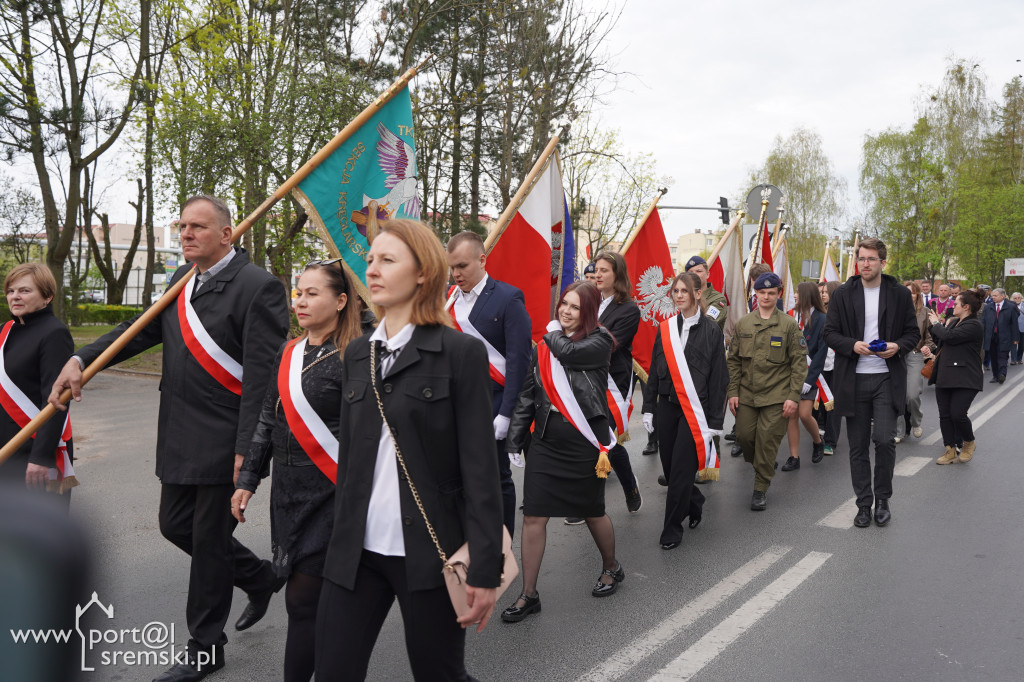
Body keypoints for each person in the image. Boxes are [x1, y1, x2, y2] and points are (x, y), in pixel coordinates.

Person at [49, 196, 290, 681]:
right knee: (175, 526)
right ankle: (260, 577)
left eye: (198, 227)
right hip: (179, 433)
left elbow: (264, 379)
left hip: (225, 439)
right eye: (182, 226)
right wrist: (83, 360)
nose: (185, 234)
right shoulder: (182, 282)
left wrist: (250, 451)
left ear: (227, 234)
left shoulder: (257, 287)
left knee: (207, 539)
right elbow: (133, 333)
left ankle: (206, 646)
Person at [315, 219, 503, 681]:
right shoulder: (358, 353)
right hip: (355, 554)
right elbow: (353, 461)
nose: (372, 269)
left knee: (438, 673)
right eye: (371, 259)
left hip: (429, 553)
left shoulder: (459, 354)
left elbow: (480, 469)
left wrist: (485, 567)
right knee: (333, 672)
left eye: (387, 260)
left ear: (423, 273)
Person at [230, 261, 361, 682]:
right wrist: (248, 480)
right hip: (287, 492)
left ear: (341, 301)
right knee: (308, 600)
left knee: (303, 602)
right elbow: (268, 419)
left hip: (332, 491)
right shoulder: (288, 353)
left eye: (311, 293)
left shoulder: (355, 355)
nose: (300, 302)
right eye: (298, 293)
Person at [501, 281, 623, 623]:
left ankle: (612, 567)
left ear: (588, 312)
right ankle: (529, 594)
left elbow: (568, 354)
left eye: (574, 307)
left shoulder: (599, 341)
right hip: (546, 441)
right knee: (534, 515)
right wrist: (514, 439)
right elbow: (527, 394)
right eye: (563, 305)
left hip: (583, 442)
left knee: (591, 510)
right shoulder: (545, 346)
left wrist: (550, 331)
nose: (565, 312)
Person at [823, 237, 919, 529]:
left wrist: (897, 347)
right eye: (861, 258)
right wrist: (852, 345)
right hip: (853, 379)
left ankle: (884, 499)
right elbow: (830, 333)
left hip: (887, 377)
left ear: (882, 262)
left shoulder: (899, 293)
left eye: (871, 259)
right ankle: (864, 504)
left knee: (885, 440)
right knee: (857, 446)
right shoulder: (843, 293)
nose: (865, 264)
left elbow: (912, 334)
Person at [446, 231, 532, 538]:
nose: (456, 274)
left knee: (497, 477)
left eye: (462, 266)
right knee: (459, 474)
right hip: (456, 402)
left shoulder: (508, 297)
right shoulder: (449, 298)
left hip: (494, 401)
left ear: (482, 260)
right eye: (452, 267)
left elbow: (518, 361)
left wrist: (507, 413)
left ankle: (502, 543)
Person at [642, 272, 727, 549]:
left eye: (684, 291)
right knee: (669, 465)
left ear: (697, 294)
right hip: (667, 405)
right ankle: (695, 500)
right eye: (675, 291)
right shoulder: (665, 327)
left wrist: (715, 421)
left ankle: (671, 529)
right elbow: (654, 369)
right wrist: (648, 407)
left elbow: (718, 379)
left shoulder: (712, 330)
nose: (679, 295)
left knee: (680, 471)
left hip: (695, 410)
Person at [727, 272, 806, 511]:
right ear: (755, 293)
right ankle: (763, 465)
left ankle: (760, 487)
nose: (766, 297)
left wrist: (793, 397)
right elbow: (733, 361)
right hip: (748, 394)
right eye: (762, 292)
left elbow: (799, 364)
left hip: (776, 395)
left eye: (771, 293)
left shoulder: (789, 325)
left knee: (767, 440)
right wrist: (733, 391)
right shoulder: (744, 324)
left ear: (779, 294)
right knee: (744, 437)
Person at [0, 264, 76, 502]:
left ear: (47, 296)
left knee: (38, 531)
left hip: (34, 449)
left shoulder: (54, 333)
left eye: (24, 291)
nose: (15, 297)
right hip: (6, 446)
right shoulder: (5, 330)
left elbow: (56, 400)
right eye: (11, 291)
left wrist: (41, 457)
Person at [580, 250, 641, 519]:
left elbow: (611, 345)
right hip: (584, 377)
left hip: (612, 381)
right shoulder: (587, 301)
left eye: (604, 270)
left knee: (603, 438)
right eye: (596, 270)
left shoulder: (629, 309)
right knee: (588, 438)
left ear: (617, 275)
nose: (598, 275)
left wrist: (579, 343)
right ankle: (583, 502)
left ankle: (629, 486)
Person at [923, 289, 985, 465]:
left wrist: (937, 324)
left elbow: (949, 337)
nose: (953, 305)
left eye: (956, 303)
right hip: (945, 373)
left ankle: (968, 442)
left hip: (966, 376)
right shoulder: (955, 321)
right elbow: (942, 340)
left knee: (958, 413)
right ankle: (949, 450)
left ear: (966, 307)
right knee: (945, 415)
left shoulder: (974, 325)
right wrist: (932, 329)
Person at [780, 282, 827, 471]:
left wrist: (809, 380)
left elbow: (821, 353)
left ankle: (817, 441)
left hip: (809, 374)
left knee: (805, 414)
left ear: (807, 295)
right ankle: (794, 457)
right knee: (791, 415)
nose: (795, 296)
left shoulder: (822, 319)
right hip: (790, 374)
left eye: (798, 293)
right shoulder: (791, 316)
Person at [895, 281, 931, 444]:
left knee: (912, 395)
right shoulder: (894, 311)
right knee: (897, 395)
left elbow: (930, 338)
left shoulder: (924, 312)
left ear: (917, 295)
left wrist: (926, 348)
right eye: (906, 292)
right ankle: (899, 431)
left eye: (912, 293)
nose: (909, 295)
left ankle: (916, 421)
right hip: (896, 355)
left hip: (915, 354)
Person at [816, 280, 843, 456]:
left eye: (826, 292)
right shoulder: (818, 314)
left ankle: (831, 441)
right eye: (822, 291)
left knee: (833, 403)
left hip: (838, 364)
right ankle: (822, 430)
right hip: (820, 363)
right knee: (821, 402)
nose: (823, 294)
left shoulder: (843, 314)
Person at [981, 287, 1019, 384]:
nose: (993, 297)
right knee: (993, 356)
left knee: (1003, 355)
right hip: (991, 336)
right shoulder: (988, 307)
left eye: (996, 295)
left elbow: (1014, 323)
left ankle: (1002, 374)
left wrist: (1015, 338)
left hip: (1005, 336)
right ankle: (995, 376)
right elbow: (983, 322)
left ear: (1003, 296)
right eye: (993, 295)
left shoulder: (1011, 307)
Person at [1013, 292, 1024, 365]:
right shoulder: (1010, 306)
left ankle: (1019, 358)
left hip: (1022, 328)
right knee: (1013, 344)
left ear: (1021, 298)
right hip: (1013, 328)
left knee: (1022, 345)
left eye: (1018, 298)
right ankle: (1013, 359)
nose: (1017, 299)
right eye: (1015, 298)